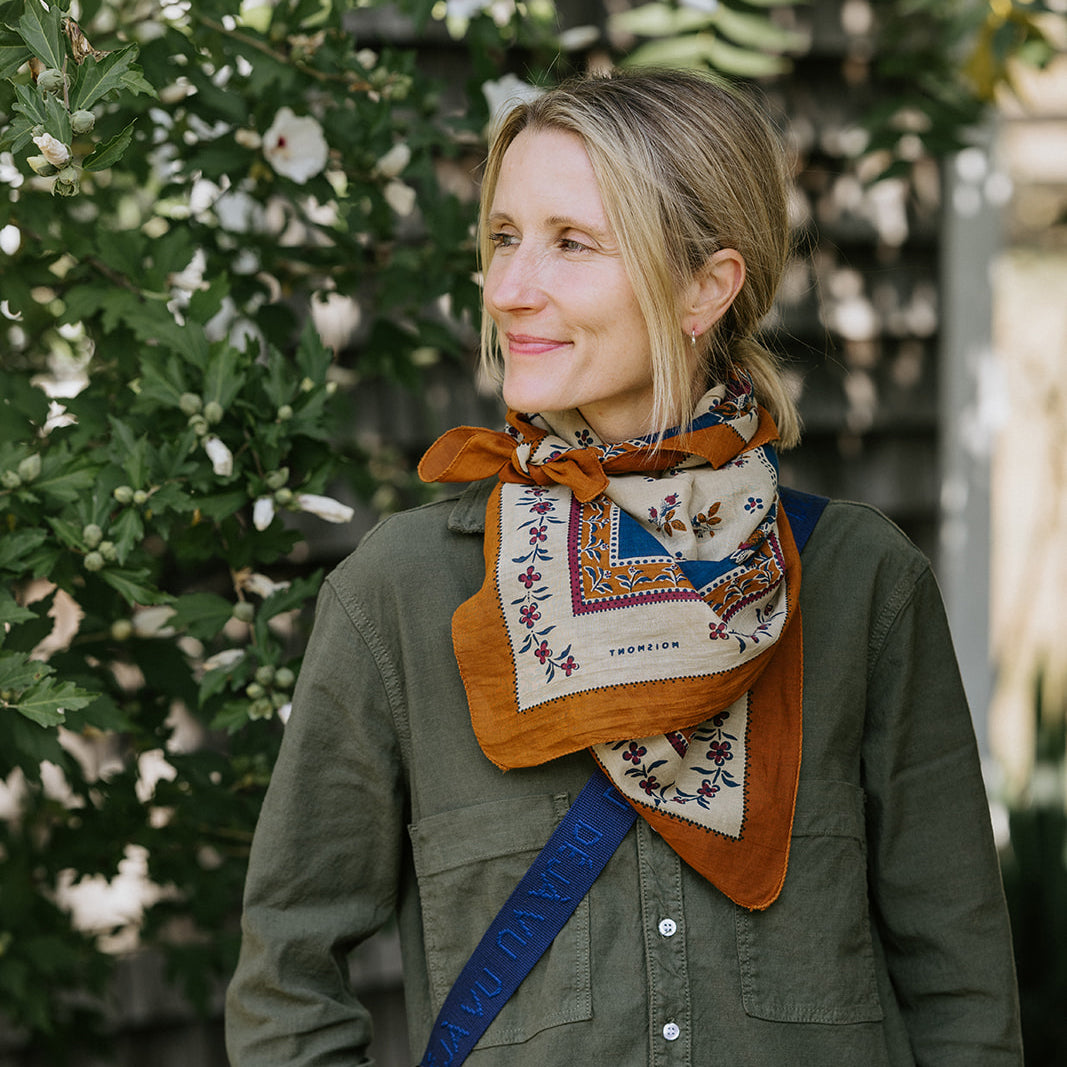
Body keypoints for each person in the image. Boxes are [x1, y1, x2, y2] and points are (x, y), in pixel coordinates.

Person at [225, 68, 1022, 1065]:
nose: (510, 289)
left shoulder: (860, 583)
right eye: (504, 236)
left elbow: (959, 991)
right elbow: (286, 981)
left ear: (705, 286)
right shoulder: (408, 591)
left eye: (571, 243)